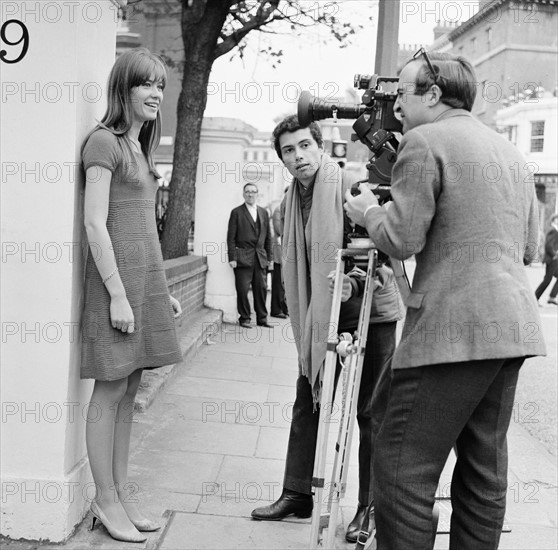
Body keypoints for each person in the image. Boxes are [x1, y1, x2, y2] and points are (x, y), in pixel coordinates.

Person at [344, 50, 546, 549]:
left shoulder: (424, 141)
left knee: (401, 470)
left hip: (451, 331)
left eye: (404, 96)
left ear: (433, 95)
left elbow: (401, 239)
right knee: (483, 472)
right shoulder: (510, 153)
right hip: (511, 328)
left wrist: (370, 210)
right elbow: (530, 247)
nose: (396, 109)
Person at [250, 115, 403, 544]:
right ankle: (297, 493)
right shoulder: (287, 203)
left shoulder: (350, 186)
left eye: (304, 146)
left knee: (371, 414)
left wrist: (351, 281)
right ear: (281, 158)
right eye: (288, 150)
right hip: (323, 314)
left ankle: (369, 509)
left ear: (320, 146)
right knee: (309, 401)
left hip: (370, 312)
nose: (298, 156)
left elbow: (378, 251)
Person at [80, 48, 182, 543]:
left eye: (160, 86)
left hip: (143, 288)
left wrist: (160, 292)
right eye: (147, 84)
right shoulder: (104, 143)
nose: (156, 94)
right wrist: (118, 295)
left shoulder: (141, 151)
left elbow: (143, 231)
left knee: (129, 393)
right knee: (109, 390)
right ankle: (103, 497)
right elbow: (95, 224)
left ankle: (120, 492)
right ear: (124, 88)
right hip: (114, 291)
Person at [226, 183, 273, 328]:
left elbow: (268, 238)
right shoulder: (236, 212)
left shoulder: (264, 212)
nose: (250, 194)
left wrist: (270, 259)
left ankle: (262, 319)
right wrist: (232, 258)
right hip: (242, 258)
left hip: (260, 258)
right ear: (243, 194)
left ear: (257, 194)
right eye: (247, 192)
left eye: (253, 192)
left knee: (261, 289)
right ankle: (244, 318)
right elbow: (231, 237)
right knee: (242, 289)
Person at [270, 187, 289, 319]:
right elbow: (279, 229)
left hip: (288, 252)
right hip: (279, 252)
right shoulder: (278, 210)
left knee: (286, 283)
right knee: (278, 283)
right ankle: (276, 310)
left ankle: (284, 308)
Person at [535, 213, 558, 305]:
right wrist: (555, 254)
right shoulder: (553, 230)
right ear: (553, 220)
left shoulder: (556, 230)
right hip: (552, 259)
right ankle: (535, 297)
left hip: (554, 259)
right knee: (547, 280)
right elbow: (548, 245)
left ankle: (552, 297)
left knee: (548, 279)